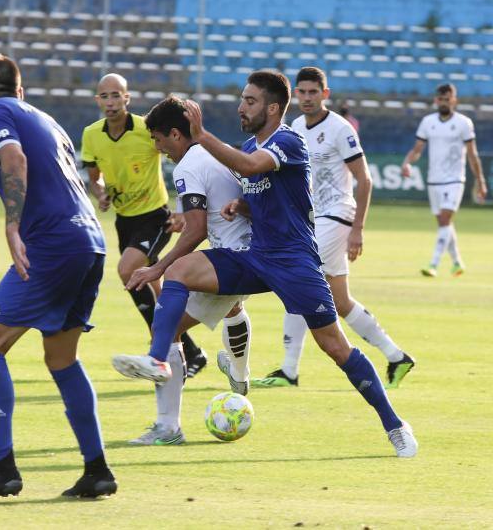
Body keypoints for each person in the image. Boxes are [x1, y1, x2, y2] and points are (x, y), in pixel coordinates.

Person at [112, 70, 418, 458]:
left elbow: (255, 167)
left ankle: (394, 424)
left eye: (250, 101)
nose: (242, 106)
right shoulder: (249, 145)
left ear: (273, 108)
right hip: (255, 257)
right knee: (177, 270)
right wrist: (242, 204)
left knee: (335, 347)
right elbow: (256, 188)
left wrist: (202, 136)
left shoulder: (288, 140)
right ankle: (160, 361)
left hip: (294, 261)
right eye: (242, 99)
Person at [0, 54, 116, 501]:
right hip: (90, 243)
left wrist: (12, 225)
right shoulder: (46, 119)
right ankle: (97, 470)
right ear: (21, 90)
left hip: (53, 244)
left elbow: (13, 159)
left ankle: (0, 468)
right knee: (61, 358)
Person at [253, 67, 415, 390]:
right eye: (303, 92)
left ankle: (288, 369)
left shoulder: (340, 129)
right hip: (313, 220)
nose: (308, 98)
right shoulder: (295, 127)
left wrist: (358, 229)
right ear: (295, 95)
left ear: (325, 94)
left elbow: (364, 179)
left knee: (296, 279)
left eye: (314, 92)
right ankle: (396, 356)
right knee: (341, 302)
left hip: (337, 216)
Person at [119, 96, 253, 446]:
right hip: (247, 254)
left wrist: (156, 268)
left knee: (172, 296)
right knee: (180, 324)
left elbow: (197, 230)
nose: (157, 147)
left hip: (232, 259)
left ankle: (167, 426)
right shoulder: (218, 150)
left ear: (176, 135)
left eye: (158, 139)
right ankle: (238, 374)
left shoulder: (188, 166)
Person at [80, 73, 208, 377]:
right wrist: (100, 193)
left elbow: (181, 160)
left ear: (127, 98)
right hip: (125, 220)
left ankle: (159, 349)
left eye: (116, 95)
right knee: (155, 291)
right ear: (97, 100)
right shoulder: (91, 134)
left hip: (155, 216)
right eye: (104, 96)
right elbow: (93, 173)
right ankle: (191, 352)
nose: (110, 102)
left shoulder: (145, 129)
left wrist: (181, 208)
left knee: (128, 270)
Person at [401, 83, 487, 277]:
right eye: (441, 99)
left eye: (448, 99)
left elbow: (472, 155)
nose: (444, 102)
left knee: (446, 219)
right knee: (444, 224)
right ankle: (457, 262)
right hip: (434, 180)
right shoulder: (428, 122)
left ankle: (433, 264)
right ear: (435, 100)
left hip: (455, 179)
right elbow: (417, 150)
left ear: (454, 100)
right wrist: (407, 163)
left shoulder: (464, 123)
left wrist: (480, 181)